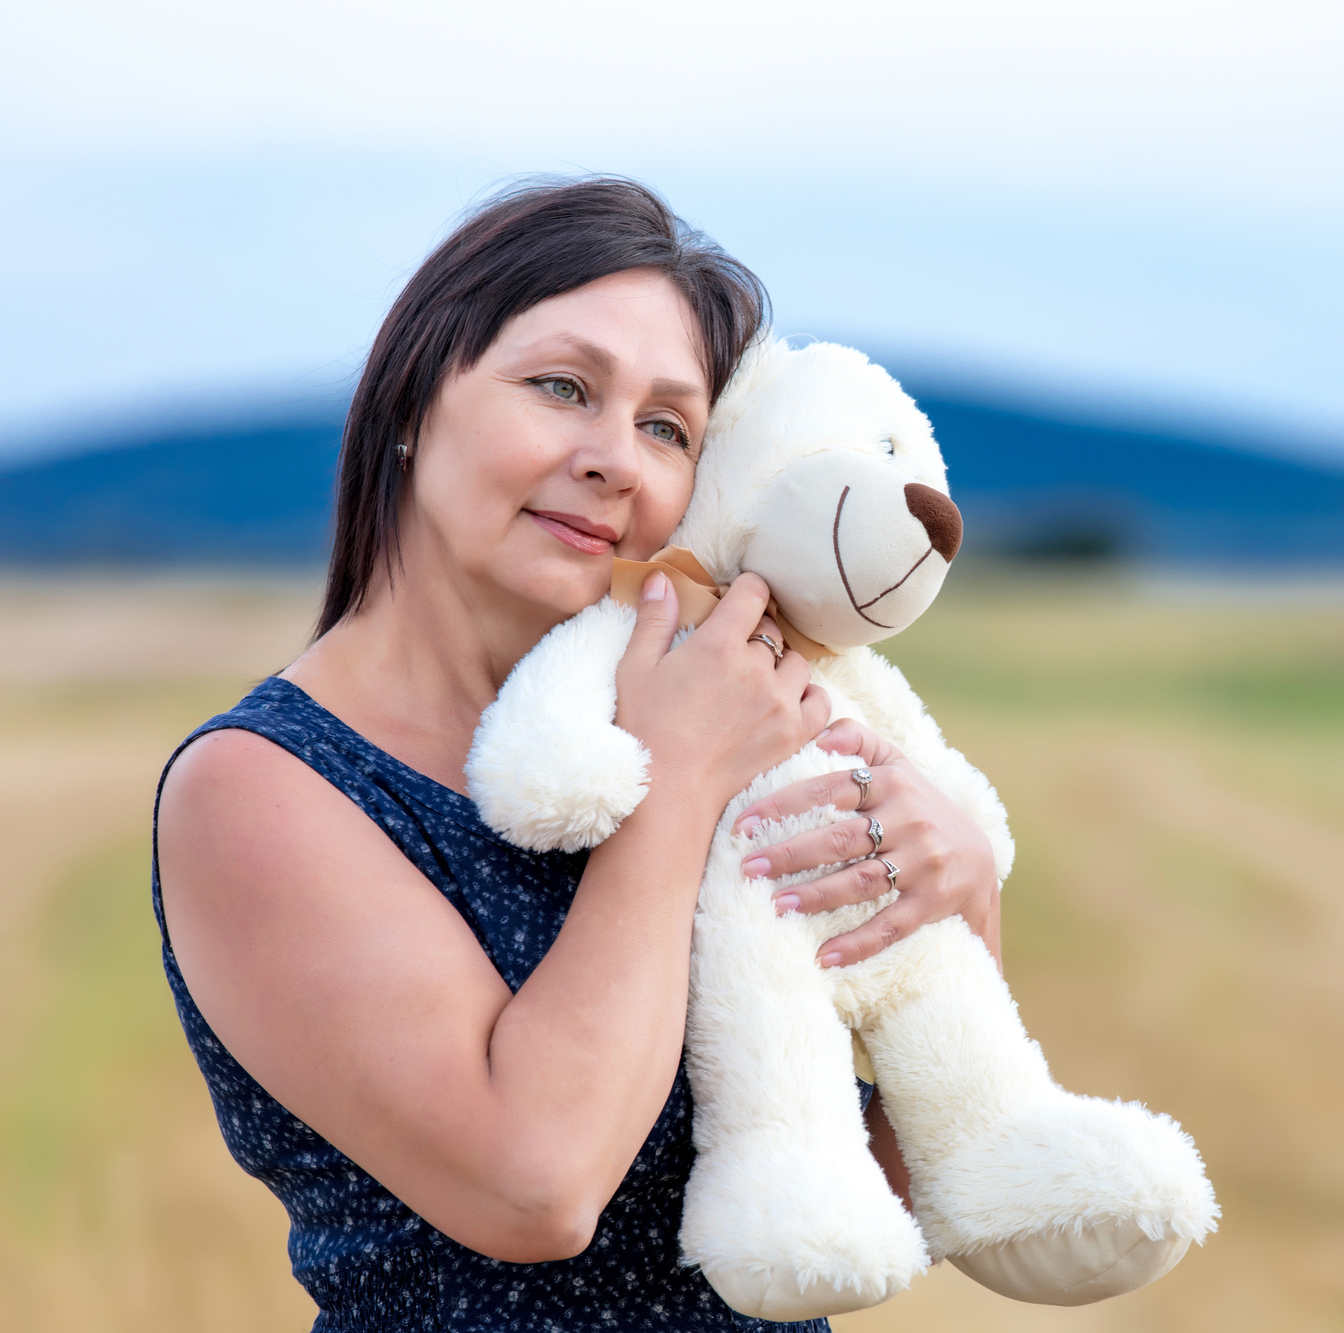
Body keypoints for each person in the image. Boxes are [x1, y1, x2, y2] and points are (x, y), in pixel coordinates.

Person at [152, 177, 1002, 1331]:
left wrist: (957, 905)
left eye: (666, 426)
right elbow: (536, 1186)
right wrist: (678, 785)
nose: (614, 459)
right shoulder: (259, 788)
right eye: (562, 387)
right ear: (411, 400)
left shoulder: (703, 717)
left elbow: (863, 1201)